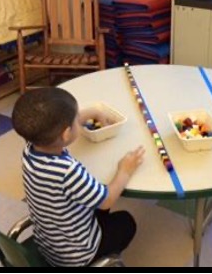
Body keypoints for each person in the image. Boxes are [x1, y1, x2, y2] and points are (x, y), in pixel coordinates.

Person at [12, 87, 145, 267]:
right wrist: (125, 169)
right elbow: (107, 200)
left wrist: (94, 112)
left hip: (48, 243)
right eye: (76, 119)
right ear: (66, 133)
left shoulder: (30, 147)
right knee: (126, 221)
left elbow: (56, 124)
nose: (79, 119)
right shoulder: (67, 171)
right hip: (77, 255)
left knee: (98, 204)